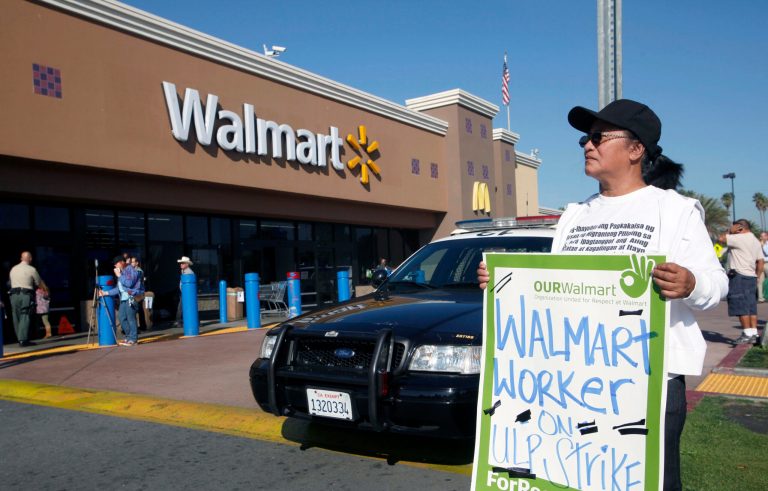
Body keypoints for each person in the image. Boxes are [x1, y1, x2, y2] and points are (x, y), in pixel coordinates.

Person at [478, 99, 727, 491]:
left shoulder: (675, 210)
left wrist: (691, 283)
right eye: (584, 139)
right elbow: (553, 290)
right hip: (577, 382)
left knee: (652, 481)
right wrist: (503, 283)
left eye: (598, 137)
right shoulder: (575, 215)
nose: (587, 146)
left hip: (651, 382)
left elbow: (716, 282)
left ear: (635, 149)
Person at [718, 220, 764, 343]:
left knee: (739, 304)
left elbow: (721, 239)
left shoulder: (739, 238)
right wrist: (757, 276)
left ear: (740, 228)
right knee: (750, 306)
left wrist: (729, 232)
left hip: (738, 275)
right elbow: (760, 262)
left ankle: (746, 333)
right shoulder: (755, 240)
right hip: (751, 276)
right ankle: (754, 333)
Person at [99, 255, 143, 346]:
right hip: (124, 298)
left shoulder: (131, 270)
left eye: (116, 264)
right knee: (121, 318)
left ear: (121, 262)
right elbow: (119, 289)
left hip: (131, 297)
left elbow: (129, 283)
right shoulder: (122, 272)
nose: (115, 266)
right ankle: (128, 337)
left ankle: (134, 339)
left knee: (131, 318)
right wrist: (106, 293)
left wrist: (119, 275)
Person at [9, 251, 46, 347]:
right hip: (25, 294)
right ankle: (23, 339)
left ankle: (19, 338)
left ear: (21, 258)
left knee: (16, 316)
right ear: (30, 259)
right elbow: (38, 282)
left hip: (13, 295)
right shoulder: (31, 269)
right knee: (25, 315)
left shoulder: (13, 269)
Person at [175, 256, 194, 326]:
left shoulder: (189, 272)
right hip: (185, 292)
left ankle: (178, 321)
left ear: (187, 264)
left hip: (186, 293)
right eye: (181, 263)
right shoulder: (184, 271)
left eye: (182, 263)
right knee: (184, 307)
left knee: (181, 307)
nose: (181, 264)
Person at [130, 256, 148, 331]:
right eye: (131, 262)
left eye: (133, 262)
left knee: (138, 310)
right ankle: (141, 326)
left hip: (138, 293)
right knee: (138, 310)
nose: (132, 263)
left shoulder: (139, 271)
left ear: (137, 263)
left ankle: (142, 326)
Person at [759, 231, 768, 303]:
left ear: (766, 236)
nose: (761, 238)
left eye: (763, 236)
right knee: (760, 281)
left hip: (767, 263)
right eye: (761, 236)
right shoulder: (759, 244)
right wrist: (760, 246)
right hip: (761, 263)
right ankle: (760, 297)